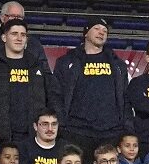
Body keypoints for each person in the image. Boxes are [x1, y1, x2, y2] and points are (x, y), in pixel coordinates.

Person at [54, 19, 130, 151]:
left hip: (110, 132)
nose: (101, 33)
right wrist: (62, 124)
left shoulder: (118, 65)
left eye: (105, 31)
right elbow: (56, 94)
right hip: (76, 131)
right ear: (85, 33)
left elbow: (125, 97)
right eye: (97, 28)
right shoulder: (66, 62)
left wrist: (124, 126)